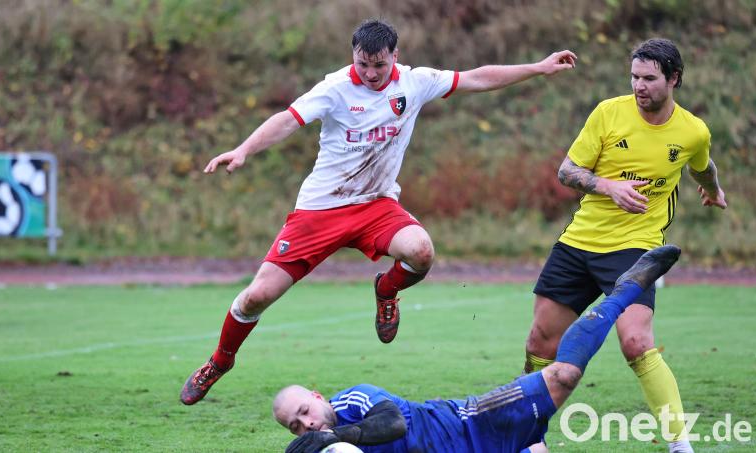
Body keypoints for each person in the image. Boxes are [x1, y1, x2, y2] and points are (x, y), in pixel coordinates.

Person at [180, 19, 577, 405]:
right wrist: (244, 149)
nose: (370, 73)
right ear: (353, 56)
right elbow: (287, 120)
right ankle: (219, 361)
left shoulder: (414, 82)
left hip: (377, 206)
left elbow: (476, 77)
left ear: (395, 57)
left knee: (421, 252)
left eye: (379, 65)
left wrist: (538, 68)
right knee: (256, 297)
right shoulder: (335, 88)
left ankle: (386, 290)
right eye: (362, 64)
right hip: (321, 210)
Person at [274, 245, 682, 453]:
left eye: (304, 412)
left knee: (564, 374)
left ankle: (626, 287)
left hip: (472, 423)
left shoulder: (354, 401)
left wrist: (333, 436)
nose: (306, 424)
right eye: (296, 425)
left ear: (316, 396)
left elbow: (394, 425)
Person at [522, 38, 726, 453]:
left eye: (649, 78)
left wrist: (714, 191)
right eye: (634, 76)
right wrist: (607, 187)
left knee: (636, 341)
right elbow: (567, 171)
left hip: (636, 247)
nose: (639, 85)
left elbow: (702, 166)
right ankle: (529, 438)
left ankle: (679, 444)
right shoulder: (608, 113)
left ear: (674, 79)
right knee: (540, 342)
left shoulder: (692, 131)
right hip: (580, 242)